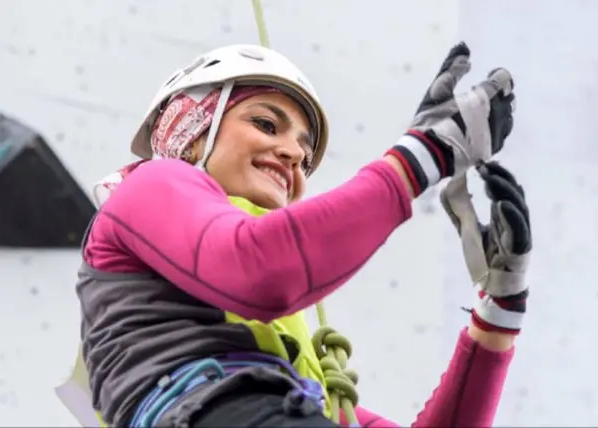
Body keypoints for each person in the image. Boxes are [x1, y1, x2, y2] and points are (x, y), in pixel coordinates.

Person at [78, 41, 531, 427]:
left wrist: (498, 314)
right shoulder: (152, 185)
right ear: (194, 132)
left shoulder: (292, 372)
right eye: (266, 124)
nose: (294, 154)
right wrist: (420, 158)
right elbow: (257, 269)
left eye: (306, 154)